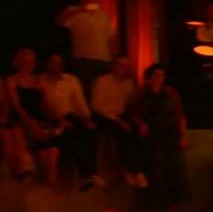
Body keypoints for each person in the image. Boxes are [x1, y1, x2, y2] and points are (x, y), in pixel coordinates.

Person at [131, 64, 188, 212]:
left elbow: (180, 116)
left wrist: (183, 135)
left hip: (171, 136)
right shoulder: (142, 96)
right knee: (157, 173)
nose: (159, 79)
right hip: (153, 139)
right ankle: (162, 208)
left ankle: (178, 206)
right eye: (156, 75)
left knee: (177, 171)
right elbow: (134, 115)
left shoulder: (171, 94)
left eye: (161, 75)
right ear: (149, 78)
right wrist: (141, 124)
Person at [42, 53, 101, 190]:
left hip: (71, 115)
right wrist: (59, 119)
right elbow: (44, 105)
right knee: (72, 134)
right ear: (47, 64)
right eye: (55, 62)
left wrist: (87, 118)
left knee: (89, 131)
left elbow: (79, 101)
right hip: (53, 118)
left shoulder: (71, 79)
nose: (58, 66)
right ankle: (84, 174)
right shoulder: (42, 81)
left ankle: (92, 174)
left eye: (60, 63)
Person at [7, 48, 61, 186]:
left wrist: (44, 94)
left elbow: (45, 104)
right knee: (29, 129)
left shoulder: (38, 79)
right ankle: (43, 137)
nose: (29, 65)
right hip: (22, 116)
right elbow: (17, 106)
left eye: (32, 62)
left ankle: (51, 179)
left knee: (52, 149)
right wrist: (29, 120)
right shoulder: (12, 80)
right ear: (19, 63)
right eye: (26, 62)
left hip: (38, 116)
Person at [90, 55, 145, 187]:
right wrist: (118, 121)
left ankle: (135, 169)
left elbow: (132, 105)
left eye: (126, 66)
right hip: (103, 116)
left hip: (122, 115)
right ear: (114, 66)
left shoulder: (128, 84)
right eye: (121, 65)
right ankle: (133, 170)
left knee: (138, 131)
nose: (124, 69)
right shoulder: (102, 81)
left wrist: (139, 121)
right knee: (122, 131)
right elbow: (98, 106)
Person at [57, 0, 115, 91]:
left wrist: (113, 57)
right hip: (83, 60)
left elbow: (110, 37)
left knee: (103, 90)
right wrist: (80, 9)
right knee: (86, 90)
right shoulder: (73, 12)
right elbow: (60, 21)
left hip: (104, 59)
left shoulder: (103, 15)